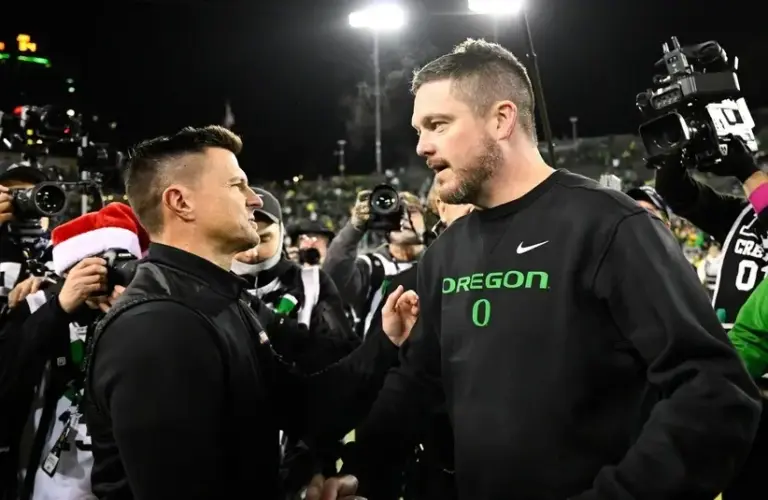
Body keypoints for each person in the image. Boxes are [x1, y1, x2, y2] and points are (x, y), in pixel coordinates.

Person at [360, 39, 760, 500]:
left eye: (438, 125)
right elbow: (420, 381)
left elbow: (714, 390)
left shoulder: (611, 225)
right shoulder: (445, 253)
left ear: (501, 119)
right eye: (419, 130)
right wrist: (359, 470)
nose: (422, 147)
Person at [84, 126, 384, 500]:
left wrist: (388, 341)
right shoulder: (157, 326)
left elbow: (304, 408)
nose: (254, 200)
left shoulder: (219, 298)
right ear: (180, 202)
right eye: (236, 185)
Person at [0, 203, 144, 500]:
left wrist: (134, 319)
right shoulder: (38, 306)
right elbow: (7, 377)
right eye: (90, 263)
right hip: (39, 472)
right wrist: (59, 308)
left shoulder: (145, 316)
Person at [323, 190, 426, 337]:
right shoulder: (372, 267)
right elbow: (333, 276)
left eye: (411, 211)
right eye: (396, 213)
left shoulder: (439, 264)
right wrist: (354, 228)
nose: (404, 218)